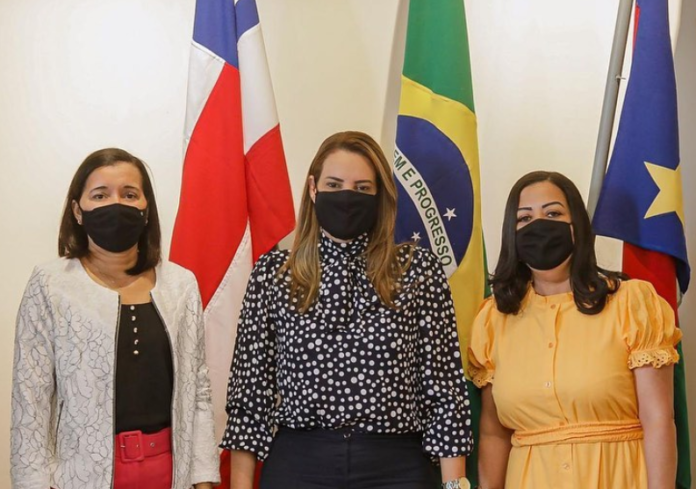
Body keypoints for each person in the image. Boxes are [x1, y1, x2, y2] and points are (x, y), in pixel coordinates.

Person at [220, 131, 474, 489]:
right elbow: (249, 397)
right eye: (334, 185)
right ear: (313, 188)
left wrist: (454, 486)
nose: (347, 197)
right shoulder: (274, 274)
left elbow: (444, 392)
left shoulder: (417, 270)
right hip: (300, 465)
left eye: (362, 188)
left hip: (396, 468)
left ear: (380, 195)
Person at [11, 148, 220, 489]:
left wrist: (204, 479)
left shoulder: (181, 285)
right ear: (77, 210)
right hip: (82, 476)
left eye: (129, 194)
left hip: (169, 472)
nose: (116, 204)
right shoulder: (50, 285)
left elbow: (197, 391)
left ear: (146, 208)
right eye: (100, 195)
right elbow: (30, 400)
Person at [468, 171, 681, 489]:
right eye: (524, 218)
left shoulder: (631, 303)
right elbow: (493, 433)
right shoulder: (493, 320)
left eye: (553, 213)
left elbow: (658, 419)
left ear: (577, 225)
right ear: (511, 234)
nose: (539, 225)